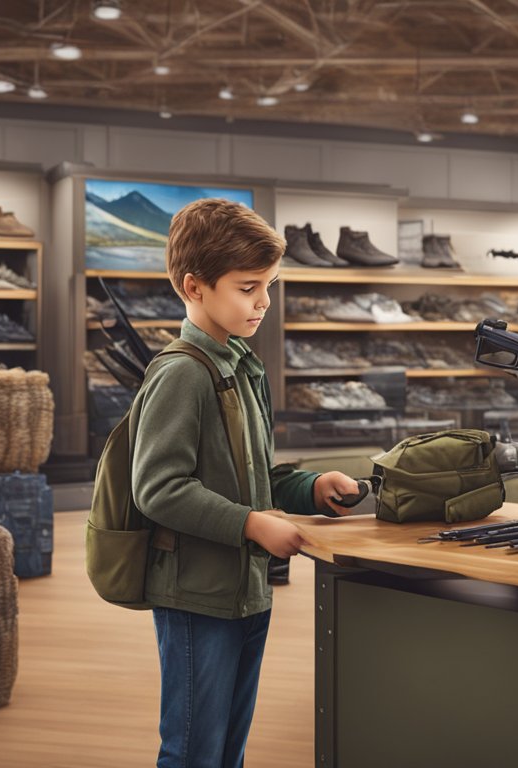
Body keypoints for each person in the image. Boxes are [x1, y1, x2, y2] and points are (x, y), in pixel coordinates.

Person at [130, 198, 362, 767]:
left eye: (270, 285)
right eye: (247, 286)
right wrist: (252, 524)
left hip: (244, 592)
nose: (263, 301)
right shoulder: (182, 372)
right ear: (194, 287)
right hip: (196, 596)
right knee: (191, 750)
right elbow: (157, 488)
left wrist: (308, 487)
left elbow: (250, 474)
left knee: (227, 747)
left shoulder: (242, 364)